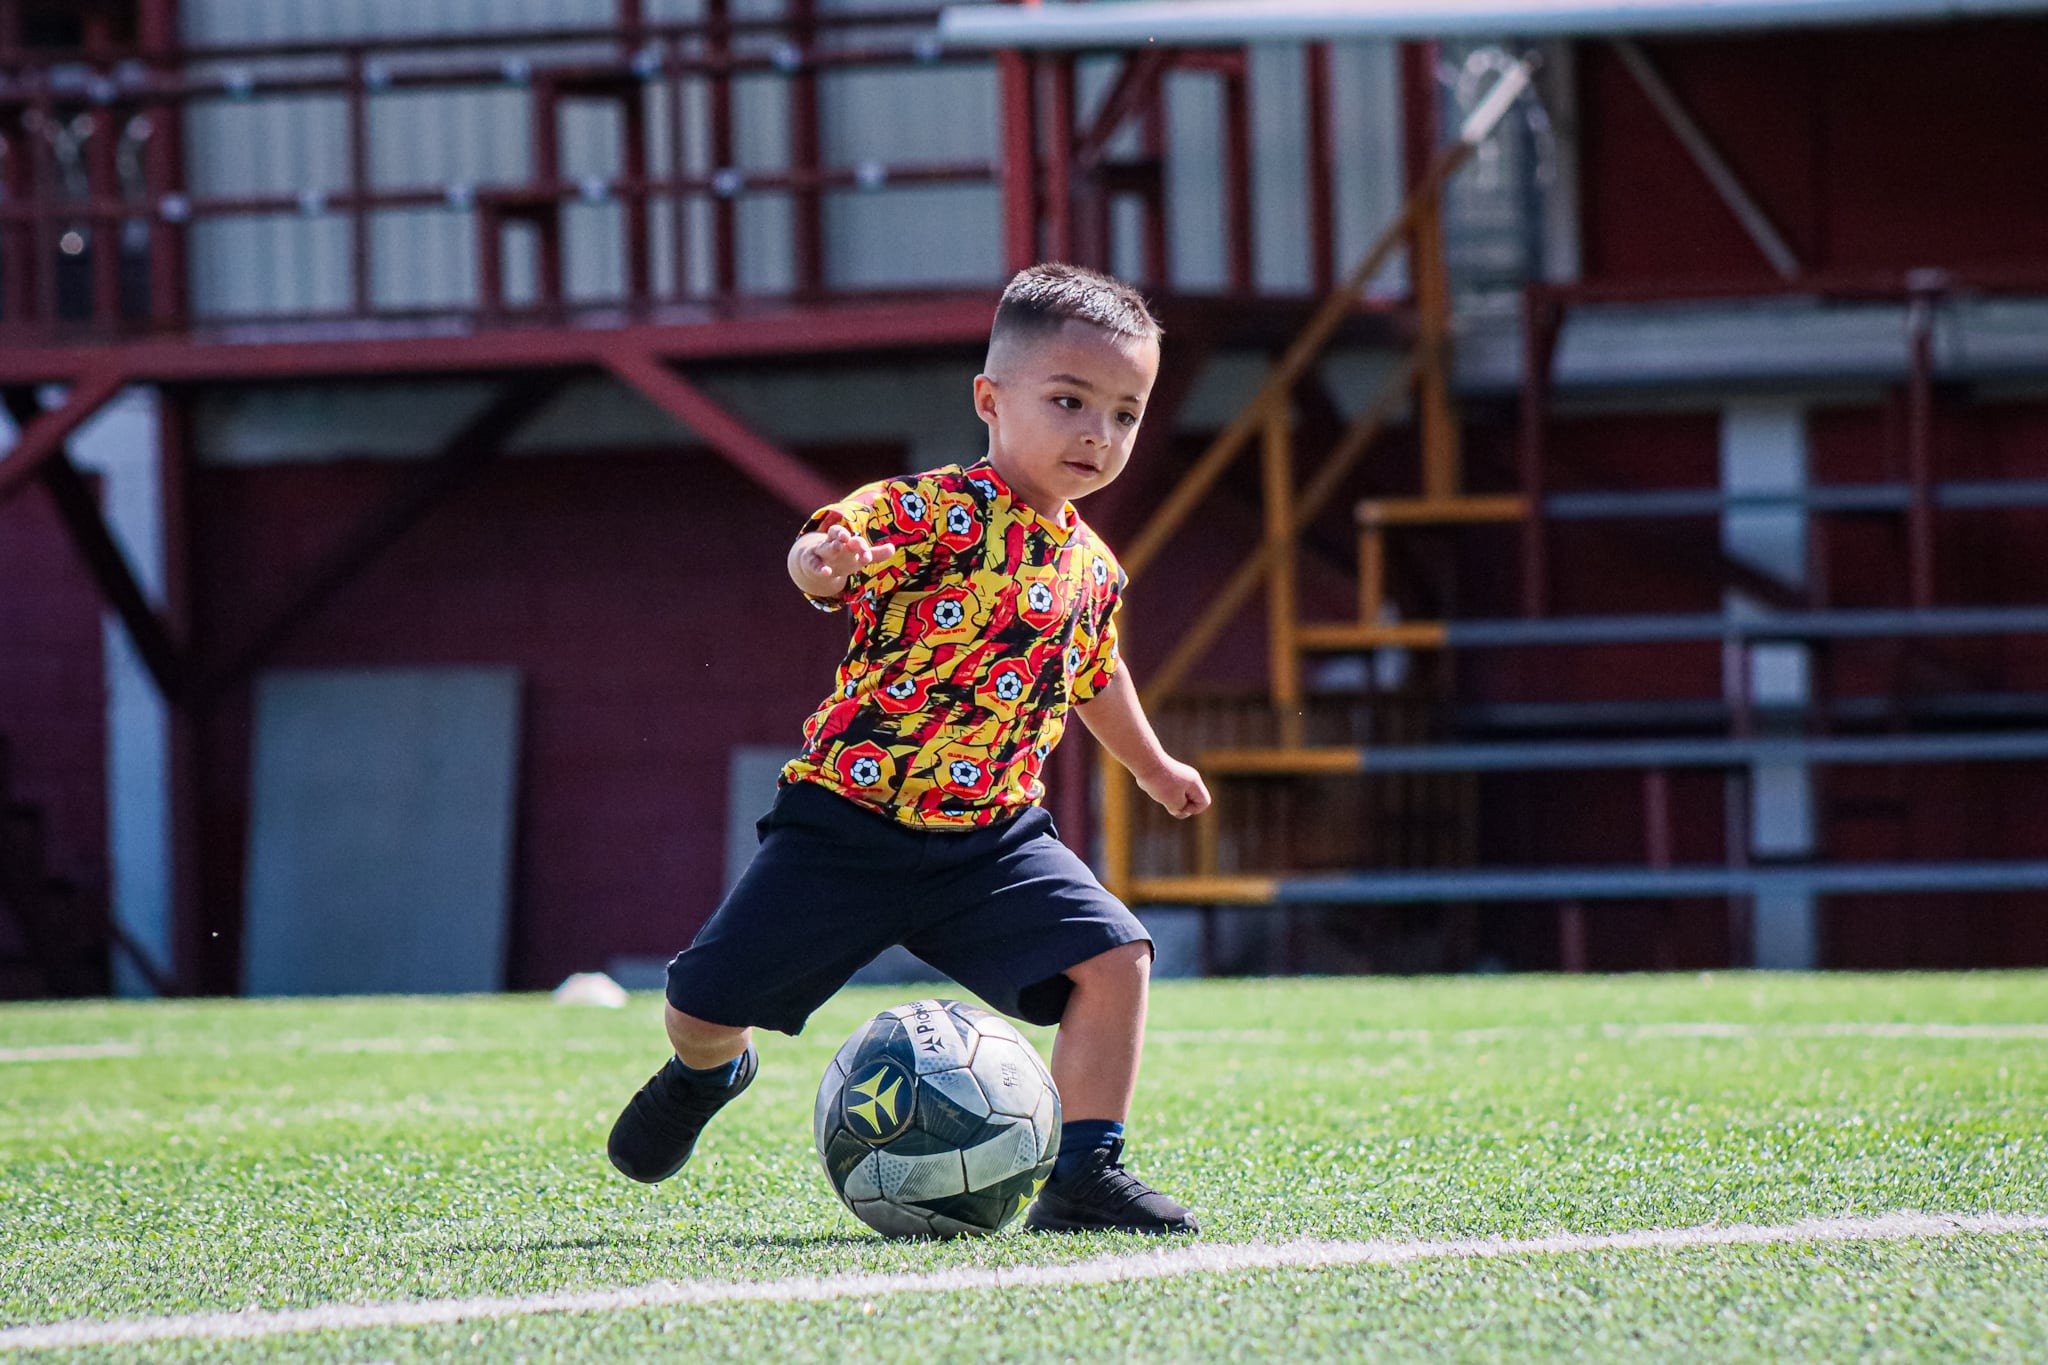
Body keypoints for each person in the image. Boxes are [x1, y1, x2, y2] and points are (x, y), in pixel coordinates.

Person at [606, 262, 1211, 1234]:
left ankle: (1083, 1172)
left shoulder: (1094, 566)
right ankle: (706, 1071)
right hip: (847, 826)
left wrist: (1151, 766)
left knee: (1117, 959)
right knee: (701, 1002)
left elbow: (1093, 672)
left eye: (1125, 414)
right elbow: (827, 544)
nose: (1097, 435)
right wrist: (820, 565)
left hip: (993, 841)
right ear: (989, 399)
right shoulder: (935, 511)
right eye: (1068, 401)